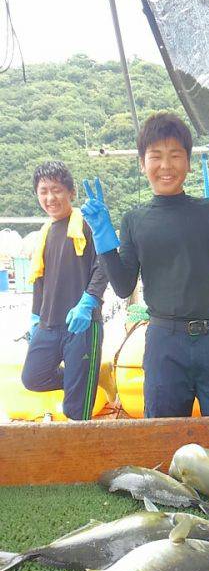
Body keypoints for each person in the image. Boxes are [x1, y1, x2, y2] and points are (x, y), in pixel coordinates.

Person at [81, 112, 209, 417]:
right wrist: (103, 238)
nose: (166, 165)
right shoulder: (135, 219)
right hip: (164, 344)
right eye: (155, 156)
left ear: (189, 162)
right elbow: (123, 285)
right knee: (163, 438)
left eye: (175, 155)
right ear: (142, 163)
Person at [22, 161, 108, 420]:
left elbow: (104, 265)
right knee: (33, 377)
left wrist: (89, 301)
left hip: (81, 326)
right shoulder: (44, 233)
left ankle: (83, 383)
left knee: (75, 409)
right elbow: (39, 280)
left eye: (56, 190)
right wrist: (35, 317)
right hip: (48, 325)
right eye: (43, 191)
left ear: (71, 193)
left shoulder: (86, 223)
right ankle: (85, 378)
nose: (50, 197)